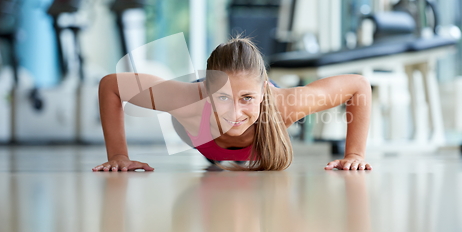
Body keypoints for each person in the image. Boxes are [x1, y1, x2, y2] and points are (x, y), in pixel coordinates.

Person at [92, 37, 372, 172]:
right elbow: (111, 86)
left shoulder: (285, 103)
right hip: (207, 141)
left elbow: (358, 86)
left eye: (247, 99)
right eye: (222, 98)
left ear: (264, 92)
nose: (235, 113)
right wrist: (119, 155)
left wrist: (355, 155)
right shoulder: (187, 100)